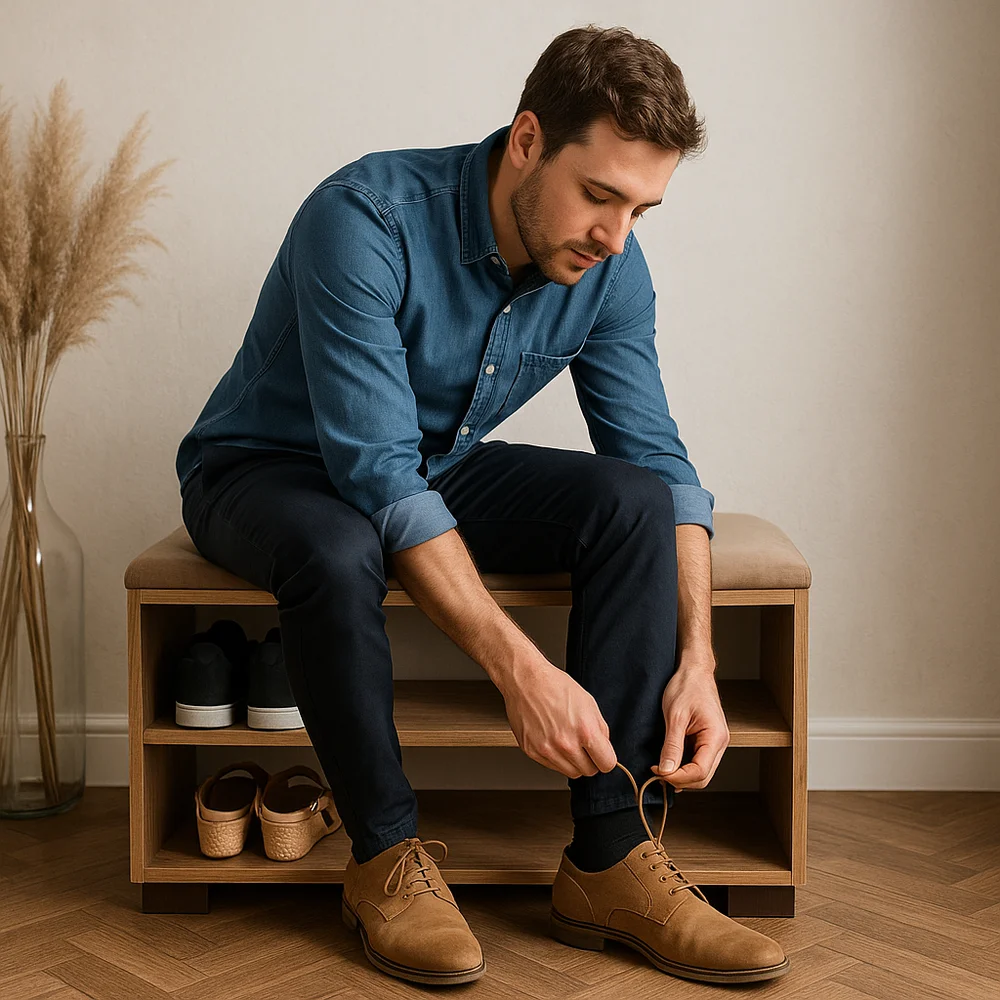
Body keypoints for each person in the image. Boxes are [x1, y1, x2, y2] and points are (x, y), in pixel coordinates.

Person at [177, 23, 789, 988]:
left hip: (426, 459)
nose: (614, 236)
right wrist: (520, 669)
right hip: (265, 469)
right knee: (341, 546)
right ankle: (382, 856)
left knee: (629, 499)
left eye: (641, 209)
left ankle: (611, 860)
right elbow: (375, 476)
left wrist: (701, 661)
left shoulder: (611, 265)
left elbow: (659, 460)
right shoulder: (363, 218)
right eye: (599, 195)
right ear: (528, 140)